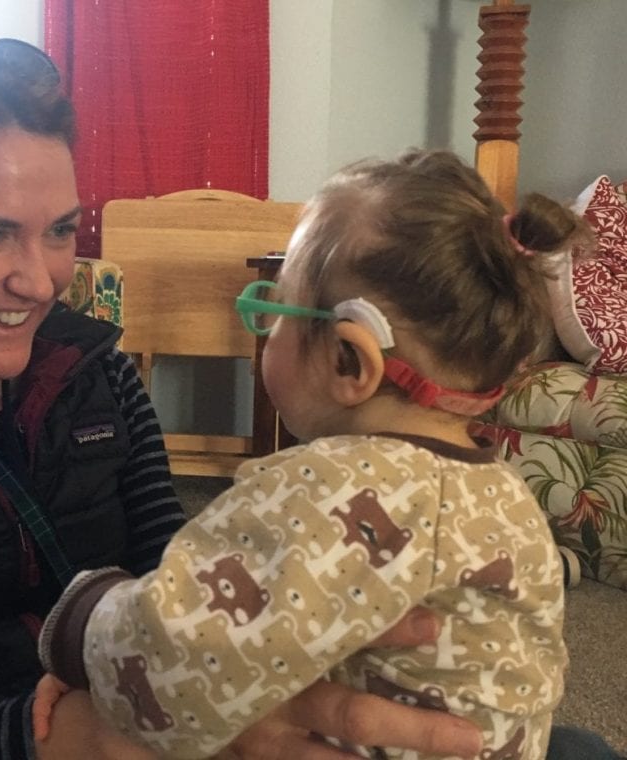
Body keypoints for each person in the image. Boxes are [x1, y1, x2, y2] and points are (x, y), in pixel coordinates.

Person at [0, 36, 487, 760]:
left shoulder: (92, 368)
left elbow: (179, 589)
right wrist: (90, 736)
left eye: (61, 231)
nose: (38, 282)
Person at [37, 150, 608, 759]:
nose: (265, 327)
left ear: (347, 359)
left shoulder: (330, 489)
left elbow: (178, 664)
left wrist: (84, 619)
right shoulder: (503, 491)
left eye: (274, 306)